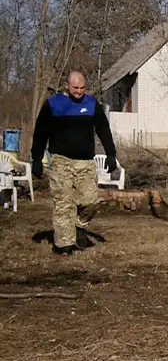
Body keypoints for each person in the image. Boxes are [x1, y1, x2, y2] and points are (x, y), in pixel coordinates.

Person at [30, 70, 119, 256]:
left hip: (85, 162)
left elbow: (103, 129)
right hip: (61, 161)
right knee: (64, 203)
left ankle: (79, 226)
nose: (79, 92)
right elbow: (40, 133)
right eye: (75, 88)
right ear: (66, 86)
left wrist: (111, 154)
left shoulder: (91, 104)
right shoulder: (53, 104)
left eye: (82, 88)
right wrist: (36, 159)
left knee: (92, 201)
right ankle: (64, 245)